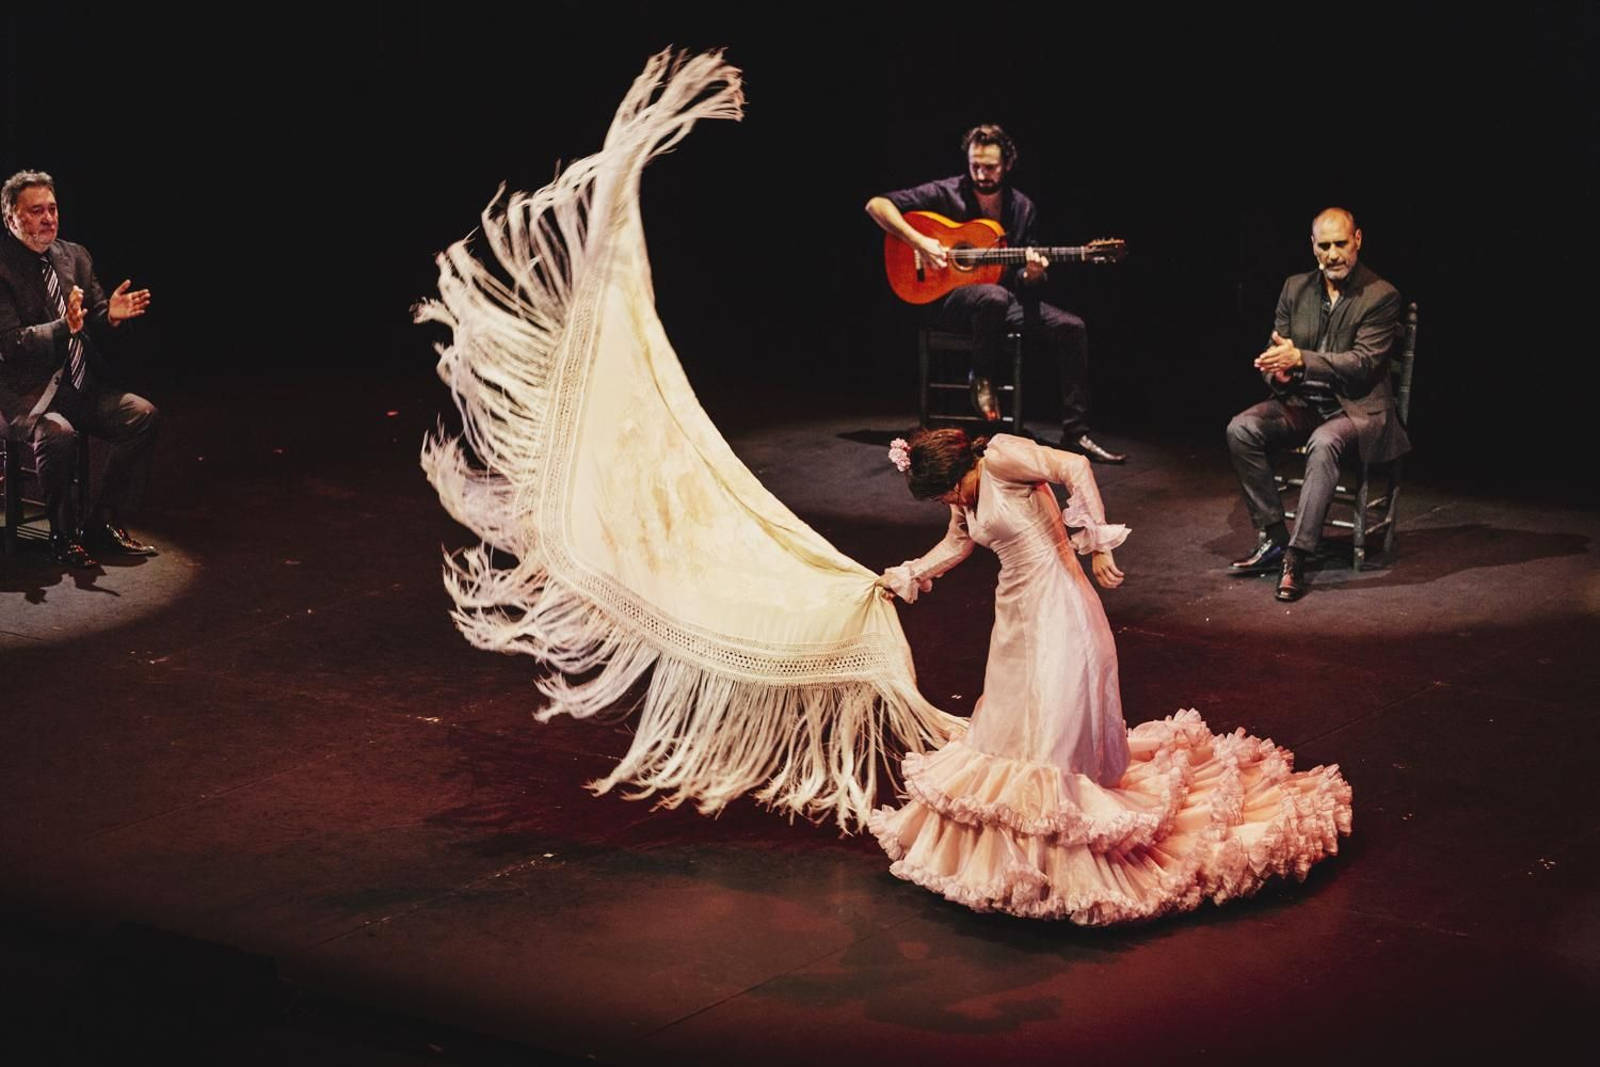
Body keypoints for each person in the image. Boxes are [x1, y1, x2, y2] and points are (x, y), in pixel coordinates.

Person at [870, 428, 1352, 923]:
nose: (952, 501)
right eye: (943, 498)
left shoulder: (1000, 459)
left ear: (960, 467)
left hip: (1059, 604)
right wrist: (909, 574)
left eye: (950, 490)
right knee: (1013, 730)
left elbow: (1073, 466)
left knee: (1055, 727)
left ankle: (1065, 855)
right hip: (1015, 613)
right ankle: (1027, 857)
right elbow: (957, 541)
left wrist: (1097, 541)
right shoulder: (964, 495)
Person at [865, 125, 1126, 463]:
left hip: (1001, 300)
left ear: (1007, 164)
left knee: (1071, 327)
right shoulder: (946, 192)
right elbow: (876, 205)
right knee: (991, 296)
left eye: (989, 166)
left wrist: (1033, 274)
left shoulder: (1022, 208)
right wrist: (921, 242)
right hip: (946, 302)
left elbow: (1023, 278)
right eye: (975, 165)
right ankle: (981, 378)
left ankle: (1076, 433)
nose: (981, 173)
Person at [1226, 207, 1408, 601]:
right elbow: (1278, 352)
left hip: (1357, 410)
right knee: (1241, 428)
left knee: (1324, 442)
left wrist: (1301, 360)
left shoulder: (1382, 295)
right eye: (1324, 246)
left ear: (1357, 240)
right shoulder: (1295, 288)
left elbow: (1363, 365)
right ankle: (1275, 538)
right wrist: (1279, 371)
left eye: (1341, 244)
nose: (1333, 254)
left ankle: (1297, 555)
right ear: (1313, 247)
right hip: (1304, 402)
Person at [0, 170, 158, 567]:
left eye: (52, 209)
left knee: (141, 416)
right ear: (11, 218)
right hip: (27, 393)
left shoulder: (75, 256)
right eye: (36, 211)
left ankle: (102, 523)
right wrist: (62, 327)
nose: (48, 218)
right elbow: (10, 343)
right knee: (58, 434)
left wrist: (112, 317)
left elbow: (95, 317)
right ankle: (61, 534)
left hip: (79, 386)